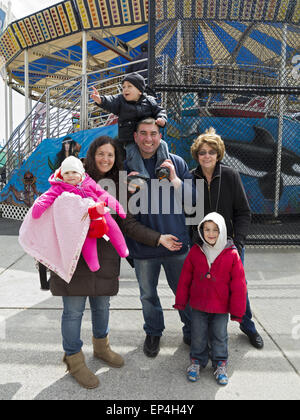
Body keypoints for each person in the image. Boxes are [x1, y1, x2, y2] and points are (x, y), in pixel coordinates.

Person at [47, 136, 180, 389]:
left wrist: (158, 238)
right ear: (92, 155)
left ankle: (101, 347)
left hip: (105, 257)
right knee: (73, 310)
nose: (105, 159)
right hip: (73, 254)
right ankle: (74, 359)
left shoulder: (119, 184)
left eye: (110, 155)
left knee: (102, 305)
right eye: (101, 154)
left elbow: (127, 223)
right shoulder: (69, 176)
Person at [124, 118, 195, 358]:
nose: (148, 138)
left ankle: (191, 329)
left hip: (176, 244)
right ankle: (154, 331)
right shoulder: (126, 166)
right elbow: (121, 213)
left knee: (183, 291)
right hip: (145, 246)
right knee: (147, 294)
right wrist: (125, 188)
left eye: (153, 133)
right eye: (143, 133)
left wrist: (175, 179)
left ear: (160, 136)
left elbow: (192, 202)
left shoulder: (175, 162)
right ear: (135, 136)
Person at [190, 127, 264, 349]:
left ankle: (247, 325)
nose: (207, 156)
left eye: (211, 152)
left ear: (218, 154)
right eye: (202, 152)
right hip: (203, 246)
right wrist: (193, 240)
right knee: (206, 287)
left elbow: (243, 212)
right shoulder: (191, 178)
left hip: (229, 245)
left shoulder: (230, 175)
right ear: (197, 154)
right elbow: (186, 212)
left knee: (239, 287)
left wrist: (238, 241)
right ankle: (207, 334)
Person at [174, 212, 247, 385]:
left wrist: (237, 312)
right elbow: (185, 278)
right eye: (207, 229)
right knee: (198, 334)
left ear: (222, 231)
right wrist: (181, 301)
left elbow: (239, 286)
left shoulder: (232, 254)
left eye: (215, 229)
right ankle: (197, 361)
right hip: (198, 305)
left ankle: (220, 362)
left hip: (221, 307)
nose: (211, 234)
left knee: (220, 335)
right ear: (201, 231)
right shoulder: (195, 251)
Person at [32, 155, 129, 272]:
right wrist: (39, 207)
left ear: (81, 173)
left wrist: (118, 207)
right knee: (87, 237)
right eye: (67, 173)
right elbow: (47, 197)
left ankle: (122, 248)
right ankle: (93, 263)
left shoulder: (88, 182)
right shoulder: (59, 186)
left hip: (97, 209)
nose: (71, 176)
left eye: (74, 172)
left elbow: (102, 193)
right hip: (81, 218)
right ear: (62, 174)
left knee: (111, 225)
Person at [91, 72, 169, 180]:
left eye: (129, 86)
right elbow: (111, 101)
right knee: (132, 152)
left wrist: (162, 119)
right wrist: (100, 100)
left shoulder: (149, 101)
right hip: (129, 138)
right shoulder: (120, 101)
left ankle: (162, 169)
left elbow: (160, 110)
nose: (125, 90)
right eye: (123, 87)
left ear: (140, 90)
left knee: (162, 145)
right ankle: (141, 174)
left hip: (147, 136)